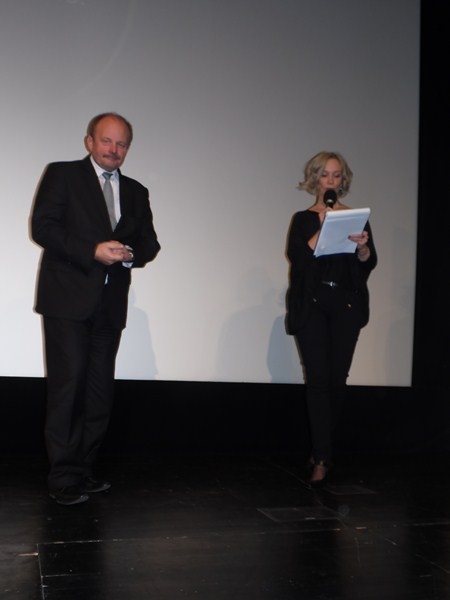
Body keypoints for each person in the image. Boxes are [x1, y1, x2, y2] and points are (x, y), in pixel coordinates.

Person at [31, 112, 161, 505]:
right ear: (90, 141)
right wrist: (92, 251)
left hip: (109, 306)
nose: (114, 150)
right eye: (107, 141)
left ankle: (84, 471)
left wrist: (130, 254)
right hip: (67, 301)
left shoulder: (136, 191)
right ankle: (63, 476)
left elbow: (150, 243)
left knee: (99, 393)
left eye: (122, 144)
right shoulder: (63, 174)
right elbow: (44, 227)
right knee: (67, 388)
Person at [285, 151, 377, 488]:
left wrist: (363, 249)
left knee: (337, 381)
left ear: (343, 181)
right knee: (318, 379)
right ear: (315, 180)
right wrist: (321, 229)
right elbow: (297, 258)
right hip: (313, 305)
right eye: (325, 175)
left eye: (337, 176)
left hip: (345, 306)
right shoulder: (303, 219)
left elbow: (368, 263)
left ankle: (320, 448)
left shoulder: (355, 218)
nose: (331, 181)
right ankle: (323, 458)